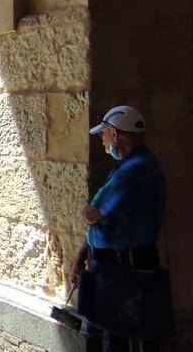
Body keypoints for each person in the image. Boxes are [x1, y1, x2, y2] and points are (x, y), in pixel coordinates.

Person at [69, 105, 166, 352]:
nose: (101, 139)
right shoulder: (136, 165)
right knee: (117, 333)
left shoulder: (133, 171)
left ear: (115, 133)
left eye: (103, 133)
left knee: (120, 336)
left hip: (124, 267)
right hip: (120, 264)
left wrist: (86, 208)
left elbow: (92, 215)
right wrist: (82, 256)